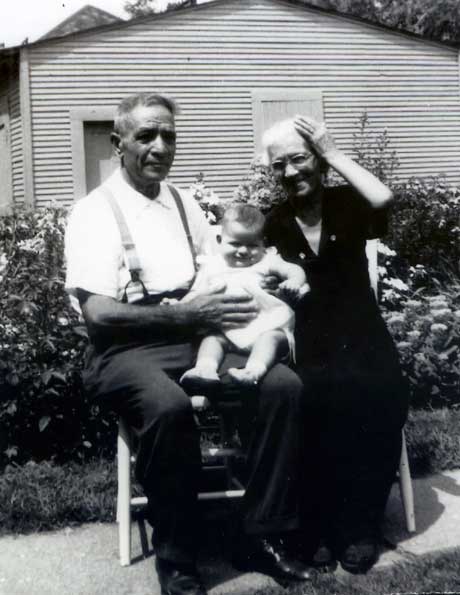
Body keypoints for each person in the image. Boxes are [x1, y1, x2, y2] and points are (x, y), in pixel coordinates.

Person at [64, 93, 311, 595]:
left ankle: (257, 533)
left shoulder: (184, 205)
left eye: (169, 136)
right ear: (117, 144)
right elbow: (99, 315)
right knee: (169, 408)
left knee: (282, 386)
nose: (160, 146)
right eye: (146, 136)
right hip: (124, 349)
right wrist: (185, 314)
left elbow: (221, 268)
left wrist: (271, 284)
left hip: (197, 337)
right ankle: (178, 559)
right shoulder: (93, 213)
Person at [262, 115, 409, 574]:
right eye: (279, 165)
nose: (290, 173)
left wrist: (332, 150)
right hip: (305, 339)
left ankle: (360, 525)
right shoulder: (274, 223)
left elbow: (385, 197)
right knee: (310, 401)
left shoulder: (348, 204)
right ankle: (320, 525)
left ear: (319, 160)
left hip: (362, 334)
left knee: (381, 393)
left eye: (300, 158)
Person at [180, 203, 308, 388]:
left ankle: (253, 371)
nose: (243, 251)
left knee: (270, 338)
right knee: (212, 339)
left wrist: (294, 281)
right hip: (226, 329)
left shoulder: (266, 261)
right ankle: (205, 369)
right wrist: (180, 304)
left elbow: (293, 269)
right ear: (219, 240)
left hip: (266, 325)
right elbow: (196, 292)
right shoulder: (212, 266)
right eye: (235, 244)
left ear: (263, 243)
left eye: (252, 245)